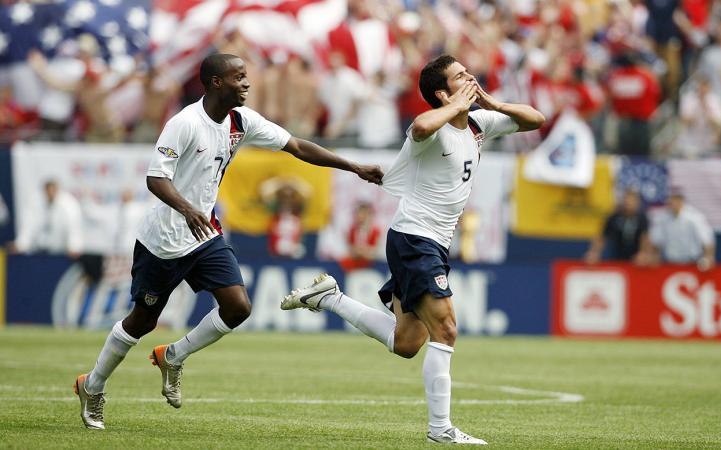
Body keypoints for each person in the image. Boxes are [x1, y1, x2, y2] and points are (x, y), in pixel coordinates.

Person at [73, 53, 383, 430]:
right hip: (164, 240)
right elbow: (156, 179)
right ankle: (93, 385)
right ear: (216, 82)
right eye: (239, 77)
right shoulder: (184, 124)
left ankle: (173, 356)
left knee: (238, 307)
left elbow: (298, 146)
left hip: (205, 235)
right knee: (142, 321)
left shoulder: (241, 120)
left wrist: (354, 167)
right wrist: (187, 208)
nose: (247, 84)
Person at [281, 54, 545, 445]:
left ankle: (331, 299)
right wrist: (455, 106)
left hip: (433, 243)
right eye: (460, 76)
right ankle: (441, 429)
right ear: (443, 92)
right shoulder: (434, 129)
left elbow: (535, 120)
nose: (470, 77)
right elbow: (420, 126)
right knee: (447, 328)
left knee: (407, 343)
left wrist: (492, 104)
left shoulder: (477, 123)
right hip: (415, 238)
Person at [644, 188, 716, 271]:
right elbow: (655, 241)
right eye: (672, 199)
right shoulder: (662, 218)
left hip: (692, 263)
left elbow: (707, 240)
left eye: (677, 199)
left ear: (682, 201)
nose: (674, 203)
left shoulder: (694, 217)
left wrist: (708, 257)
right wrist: (651, 255)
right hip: (669, 263)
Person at [9, 179, 83, 258]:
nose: (50, 193)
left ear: (57, 190)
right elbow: (28, 226)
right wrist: (21, 244)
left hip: (60, 251)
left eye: (53, 190)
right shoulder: (34, 202)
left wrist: (74, 246)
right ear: (44, 190)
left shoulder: (69, 204)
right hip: (37, 250)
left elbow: (74, 228)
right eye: (48, 191)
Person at [584, 189, 649, 265]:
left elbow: (644, 238)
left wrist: (643, 253)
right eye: (628, 200)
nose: (629, 204)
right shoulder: (614, 217)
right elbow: (602, 237)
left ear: (638, 203)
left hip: (635, 259)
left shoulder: (642, 218)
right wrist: (594, 252)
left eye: (633, 201)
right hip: (616, 257)